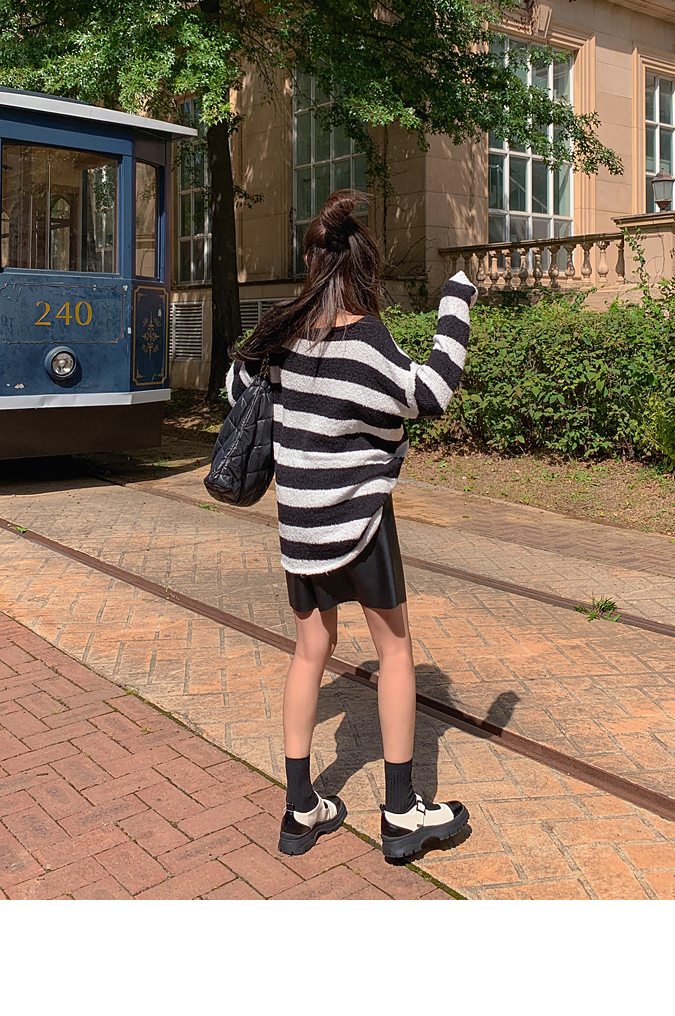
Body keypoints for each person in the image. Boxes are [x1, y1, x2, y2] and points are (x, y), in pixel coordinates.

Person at [226, 190, 478, 863]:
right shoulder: (366, 339)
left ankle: (300, 808)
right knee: (394, 651)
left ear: (314, 266)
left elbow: (237, 389)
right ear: (364, 269)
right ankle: (401, 812)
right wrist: (457, 300)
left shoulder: (281, 336)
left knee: (311, 649)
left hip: (300, 528)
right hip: (361, 522)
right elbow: (430, 393)